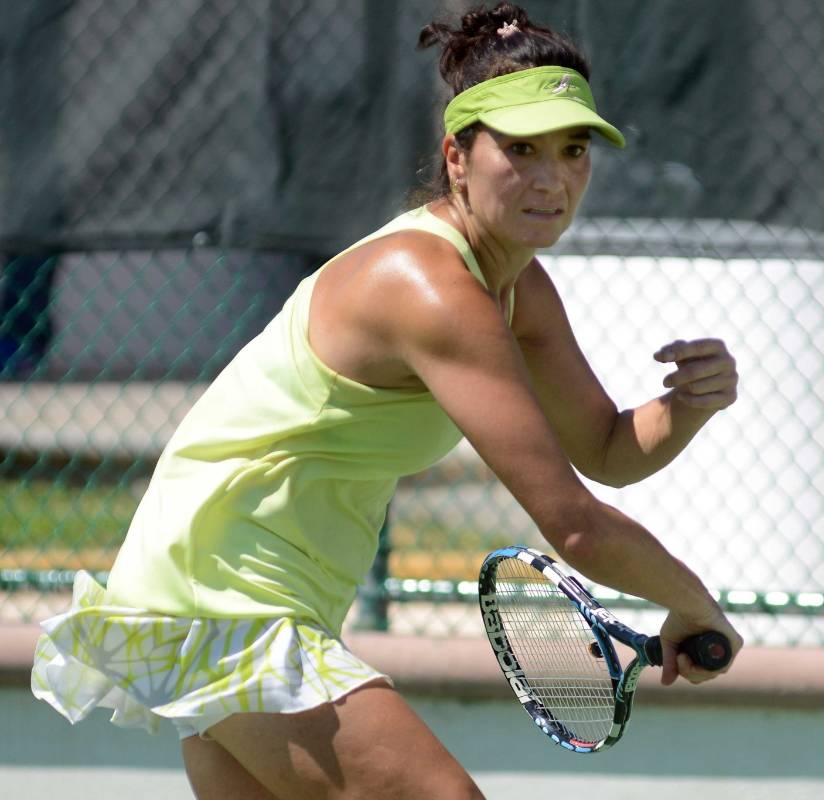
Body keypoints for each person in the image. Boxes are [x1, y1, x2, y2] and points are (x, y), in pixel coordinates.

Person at [30, 3, 743, 798]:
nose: (553, 178)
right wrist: (696, 604)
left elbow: (607, 449)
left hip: (243, 593)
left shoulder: (519, 289)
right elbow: (573, 522)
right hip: (224, 596)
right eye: (521, 149)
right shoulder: (427, 286)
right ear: (458, 157)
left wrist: (688, 405)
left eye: (573, 150)